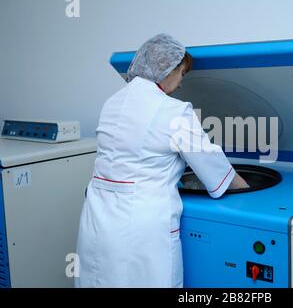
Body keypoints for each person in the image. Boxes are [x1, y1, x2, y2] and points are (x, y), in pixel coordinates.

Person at [75, 34, 249, 288]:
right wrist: (247, 188)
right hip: (141, 230)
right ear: (169, 69)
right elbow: (213, 168)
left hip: (96, 222)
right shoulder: (174, 111)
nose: (180, 84)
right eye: (182, 74)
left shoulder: (112, 103)